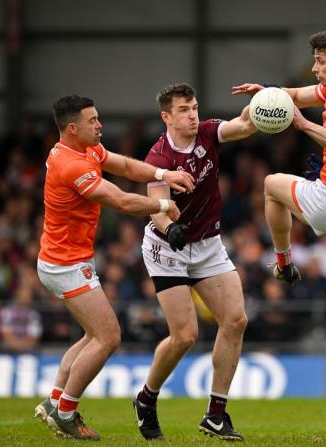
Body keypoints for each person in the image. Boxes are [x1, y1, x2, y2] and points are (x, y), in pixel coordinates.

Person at [233, 24, 326, 431]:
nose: (315, 68)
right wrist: (268, 93)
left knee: (270, 185)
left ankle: (283, 262)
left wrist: (302, 126)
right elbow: (300, 95)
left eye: (320, 62)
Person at [33, 95, 194, 440]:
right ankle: (65, 413)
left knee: (93, 335)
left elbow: (123, 166)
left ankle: (55, 401)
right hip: (66, 264)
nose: (100, 124)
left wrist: (164, 173)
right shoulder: (71, 166)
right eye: (93, 120)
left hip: (63, 258)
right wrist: (164, 202)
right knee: (108, 337)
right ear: (73, 128)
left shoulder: (80, 150)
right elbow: (120, 200)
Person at [132, 83, 257, 441]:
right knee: (185, 336)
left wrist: (262, 103)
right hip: (166, 249)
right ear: (166, 117)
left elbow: (244, 126)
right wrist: (170, 227)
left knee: (235, 320)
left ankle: (216, 415)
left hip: (207, 245)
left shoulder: (207, 132)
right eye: (184, 109)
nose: (193, 115)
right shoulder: (158, 158)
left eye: (195, 107)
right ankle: (146, 398)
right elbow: (157, 207)